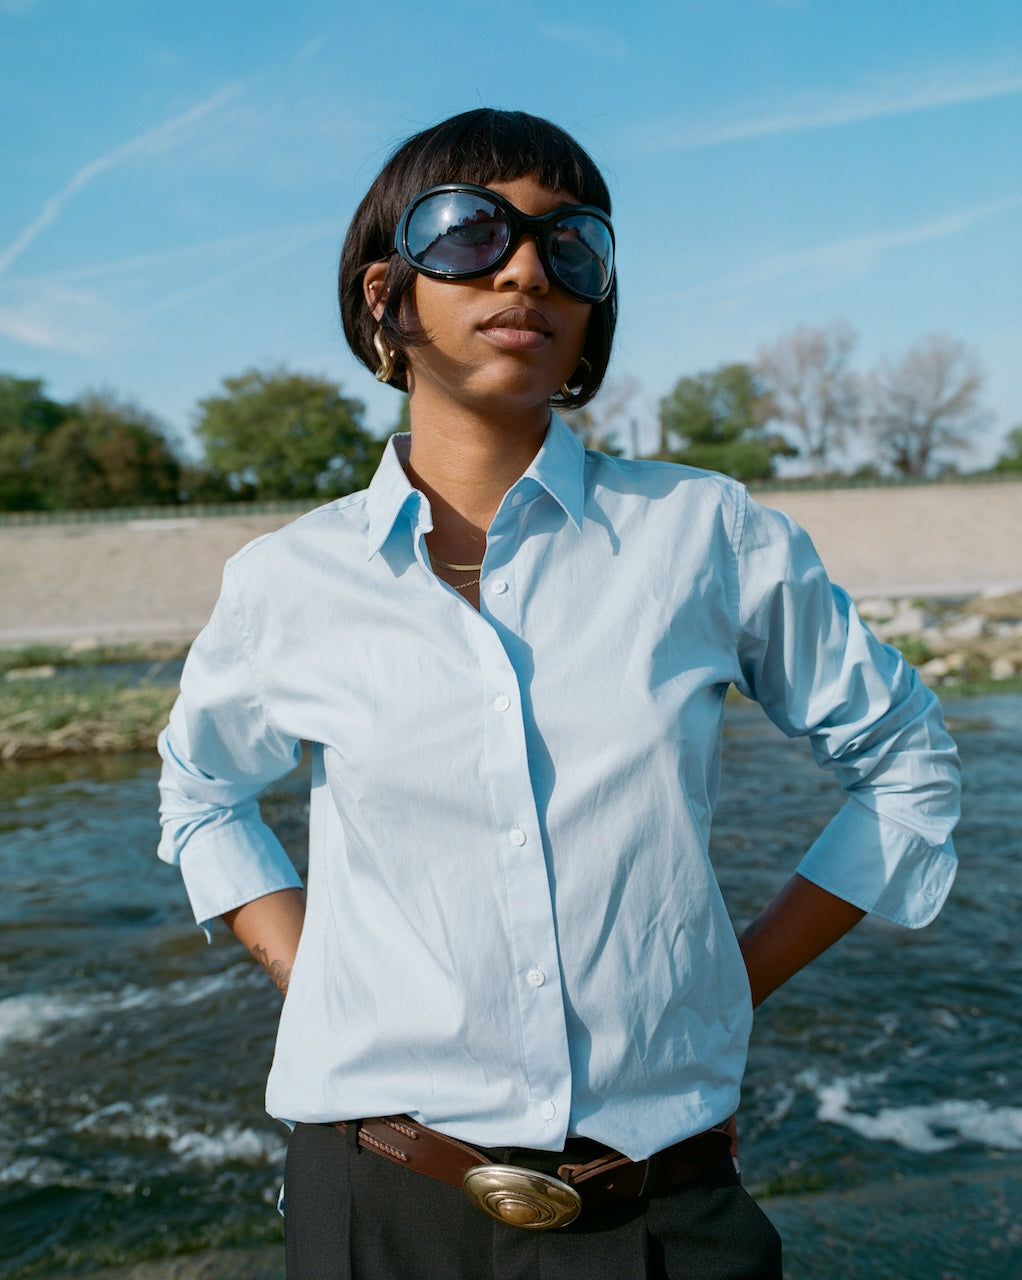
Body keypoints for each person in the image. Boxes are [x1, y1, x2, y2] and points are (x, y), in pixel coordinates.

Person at [157, 108, 960, 1280]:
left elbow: (907, 764)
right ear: (385, 293)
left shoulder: (705, 533)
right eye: (470, 231)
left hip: (663, 1208)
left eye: (571, 243)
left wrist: (726, 985)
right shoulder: (287, 581)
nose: (527, 268)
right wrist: (307, 965)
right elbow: (201, 790)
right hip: (374, 1202)